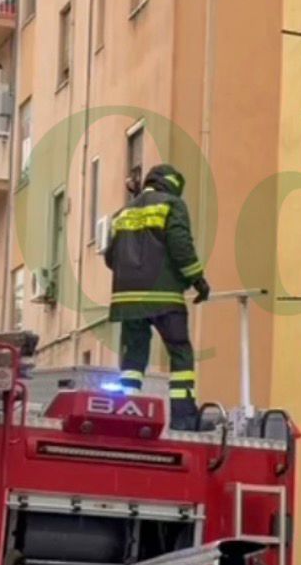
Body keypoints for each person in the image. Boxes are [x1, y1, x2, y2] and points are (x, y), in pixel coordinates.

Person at [104, 163, 211, 430]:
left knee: (134, 358)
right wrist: (197, 280)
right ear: (173, 185)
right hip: (164, 296)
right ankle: (184, 418)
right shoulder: (172, 205)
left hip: (127, 299)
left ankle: (126, 412)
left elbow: (110, 257)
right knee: (180, 353)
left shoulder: (122, 213)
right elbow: (180, 245)